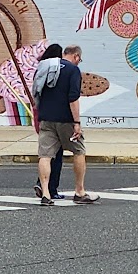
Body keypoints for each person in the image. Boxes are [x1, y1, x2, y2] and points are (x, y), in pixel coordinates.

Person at [33, 44, 95, 206]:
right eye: (79, 59)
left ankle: (46, 193)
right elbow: (73, 98)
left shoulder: (46, 66)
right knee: (79, 150)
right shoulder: (72, 70)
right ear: (75, 56)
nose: (78, 62)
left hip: (46, 117)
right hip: (65, 119)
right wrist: (77, 123)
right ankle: (79, 191)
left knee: (45, 155)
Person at [27, 44, 66, 198]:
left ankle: (42, 183)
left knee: (47, 153)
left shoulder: (40, 71)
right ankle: (50, 188)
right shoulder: (56, 73)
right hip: (54, 117)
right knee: (56, 155)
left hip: (41, 115)